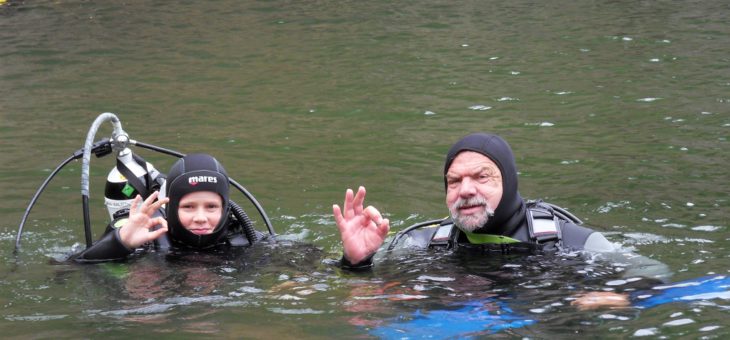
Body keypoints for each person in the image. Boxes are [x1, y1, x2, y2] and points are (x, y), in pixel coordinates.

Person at [333, 133, 670, 307]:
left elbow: (654, 274)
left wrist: (622, 296)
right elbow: (364, 295)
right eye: (454, 181)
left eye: (482, 177)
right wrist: (357, 261)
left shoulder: (572, 241)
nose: (465, 190)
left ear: (508, 182)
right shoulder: (422, 244)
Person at [72, 153, 267, 262]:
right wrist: (122, 242)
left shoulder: (242, 237)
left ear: (225, 208)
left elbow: (290, 257)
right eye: (188, 207)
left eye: (211, 207)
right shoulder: (146, 237)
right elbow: (73, 265)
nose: (201, 217)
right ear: (171, 207)